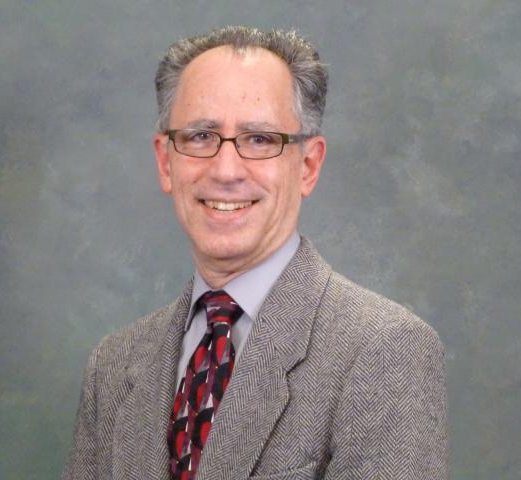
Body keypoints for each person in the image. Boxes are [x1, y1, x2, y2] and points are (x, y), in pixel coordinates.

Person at [63, 26, 448, 480]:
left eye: (260, 139)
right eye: (201, 136)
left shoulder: (385, 350)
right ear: (166, 162)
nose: (226, 171)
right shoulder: (113, 365)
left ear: (308, 165)